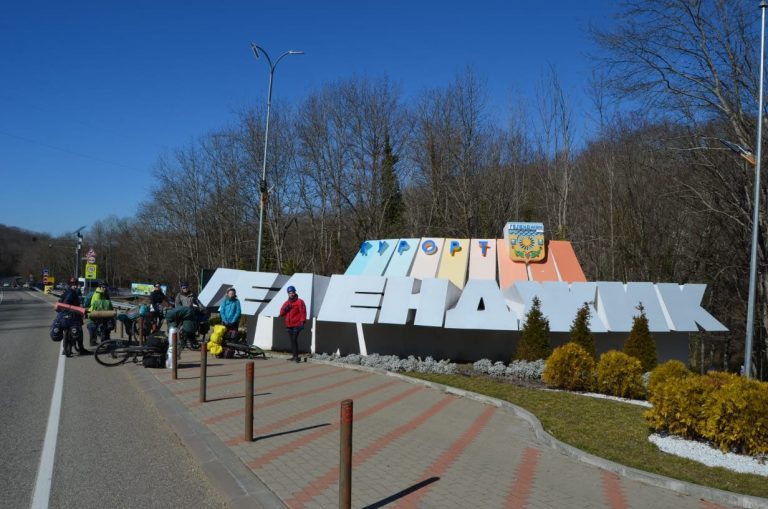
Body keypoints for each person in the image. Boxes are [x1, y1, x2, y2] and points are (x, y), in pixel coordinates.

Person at [58, 277, 88, 355]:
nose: (74, 286)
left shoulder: (66, 292)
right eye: (72, 284)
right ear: (70, 285)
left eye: (75, 284)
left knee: (68, 329)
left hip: (66, 314)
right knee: (79, 329)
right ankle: (80, 348)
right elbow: (66, 303)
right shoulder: (72, 293)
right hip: (72, 314)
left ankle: (67, 349)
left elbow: (60, 302)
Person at [279, 286, 307, 363]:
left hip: (297, 325)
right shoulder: (286, 303)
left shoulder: (300, 301)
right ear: (288, 294)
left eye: (292, 292)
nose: (291, 294)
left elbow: (303, 312)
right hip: (289, 325)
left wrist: (302, 322)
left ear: (295, 292)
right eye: (290, 293)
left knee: (294, 339)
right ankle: (294, 356)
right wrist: (286, 309)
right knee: (292, 341)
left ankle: (296, 357)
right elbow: (281, 313)